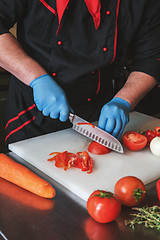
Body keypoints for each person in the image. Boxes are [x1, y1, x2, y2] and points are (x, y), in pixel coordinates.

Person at [0, 0, 160, 146]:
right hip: (32, 113)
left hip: (98, 116)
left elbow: (152, 56)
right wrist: (37, 80)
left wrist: (124, 100)